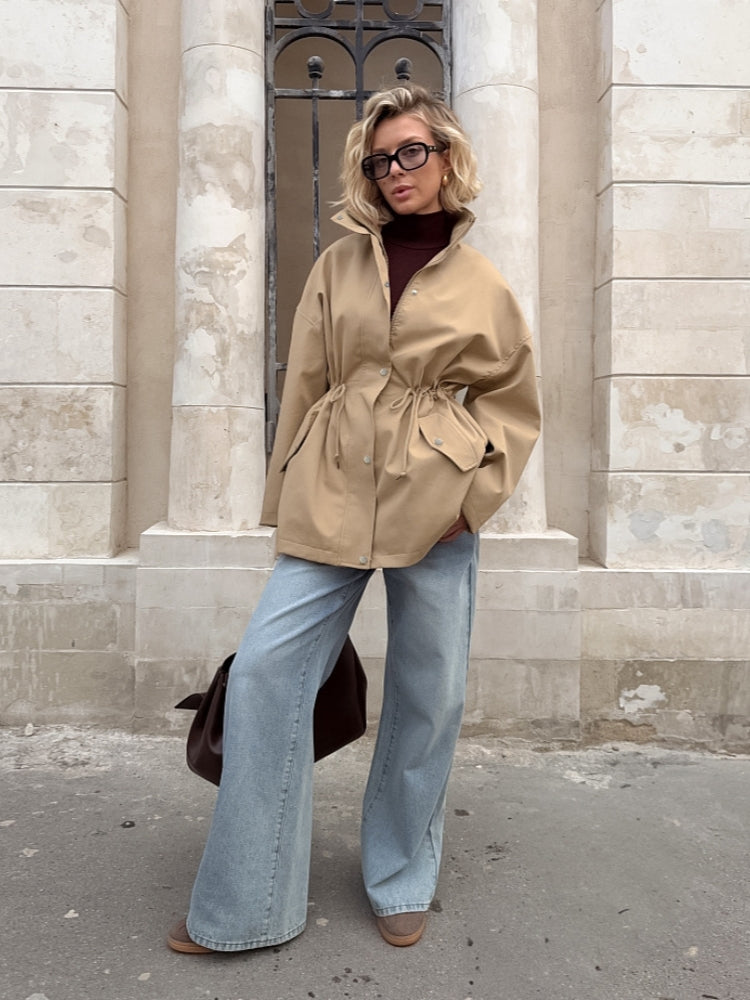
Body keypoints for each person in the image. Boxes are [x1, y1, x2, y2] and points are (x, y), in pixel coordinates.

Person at [167, 84, 540, 954]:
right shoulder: (337, 266)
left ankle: (400, 875)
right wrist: (284, 500)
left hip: (434, 497)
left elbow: (512, 401)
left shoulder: (483, 282)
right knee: (266, 674)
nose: (395, 171)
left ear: (446, 157)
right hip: (334, 484)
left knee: (428, 694)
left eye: (412, 152)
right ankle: (249, 903)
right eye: (379, 161)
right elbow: (306, 381)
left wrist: (472, 500)